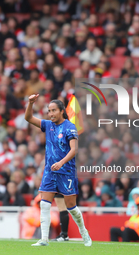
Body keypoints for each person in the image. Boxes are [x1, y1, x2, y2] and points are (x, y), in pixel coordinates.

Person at [25, 94, 92, 247]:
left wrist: (61, 163)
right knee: (44, 204)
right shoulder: (48, 125)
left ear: (62, 111)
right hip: (50, 172)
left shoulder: (70, 127)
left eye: (53, 110)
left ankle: (84, 233)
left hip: (66, 172)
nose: (51, 114)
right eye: (49, 111)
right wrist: (30, 103)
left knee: (71, 208)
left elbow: (74, 150)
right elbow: (28, 118)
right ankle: (44, 239)